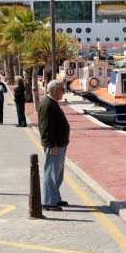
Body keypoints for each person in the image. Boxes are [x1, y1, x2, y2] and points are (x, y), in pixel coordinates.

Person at [38, 80, 70, 211]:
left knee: (57, 174)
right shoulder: (47, 105)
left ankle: (55, 198)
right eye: (62, 90)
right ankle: (48, 202)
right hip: (54, 146)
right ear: (55, 90)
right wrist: (52, 145)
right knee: (51, 173)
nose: (63, 93)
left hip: (60, 145)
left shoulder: (52, 103)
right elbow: (45, 129)